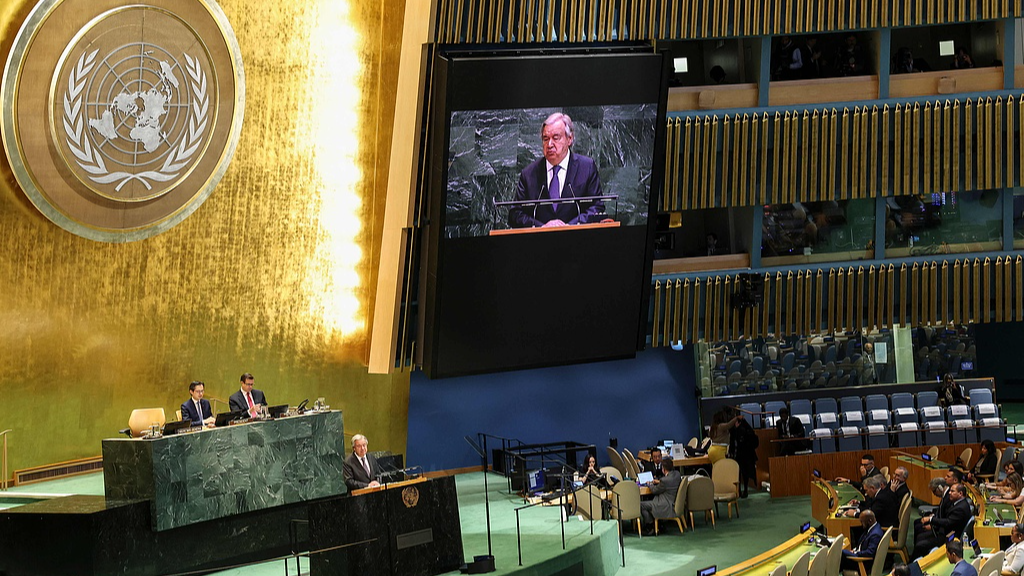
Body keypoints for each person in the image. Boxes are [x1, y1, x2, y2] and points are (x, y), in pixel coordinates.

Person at [508, 113, 603, 229]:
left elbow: (597, 207)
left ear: (570, 139)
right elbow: (515, 214)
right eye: (545, 139)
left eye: (556, 138)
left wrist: (569, 226)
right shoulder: (529, 174)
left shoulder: (586, 167)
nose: (550, 144)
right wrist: (541, 227)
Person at [912, 482, 972, 559]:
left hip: (949, 538)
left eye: (952, 491)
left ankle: (912, 566)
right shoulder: (958, 503)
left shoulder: (960, 508)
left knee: (920, 545)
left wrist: (931, 520)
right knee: (920, 536)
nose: (949, 493)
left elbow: (948, 522)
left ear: (960, 493)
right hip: (946, 532)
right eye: (950, 491)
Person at [640, 459, 681, 535]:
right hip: (673, 502)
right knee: (648, 504)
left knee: (641, 505)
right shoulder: (677, 474)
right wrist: (659, 482)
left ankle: (650, 526)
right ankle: (657, 525)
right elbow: (669, 483)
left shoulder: (665, 480)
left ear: (664, 469)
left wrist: (650, 484)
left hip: (665, 504)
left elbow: (655, 491)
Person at [729, 413, 759, 497]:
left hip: (743, 454)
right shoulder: (746, 428)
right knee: (744, 473)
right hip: (745, 455)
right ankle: (743, 490)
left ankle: (741, 490)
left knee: (741, 473)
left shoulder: (741, 429)